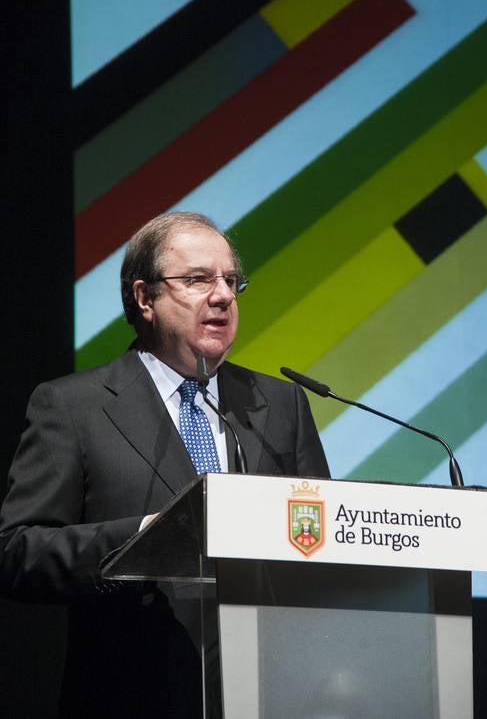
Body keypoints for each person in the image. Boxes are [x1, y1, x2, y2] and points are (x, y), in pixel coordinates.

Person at [0, 211, 330, 717]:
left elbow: (322, 537)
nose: (223, 296)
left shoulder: (281, 403)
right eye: (198, 279)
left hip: (269, 691)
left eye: (231, 280)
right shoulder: (74, 406)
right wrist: (140, 538)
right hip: (134, 694)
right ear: (143, 298)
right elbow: (19, 553)